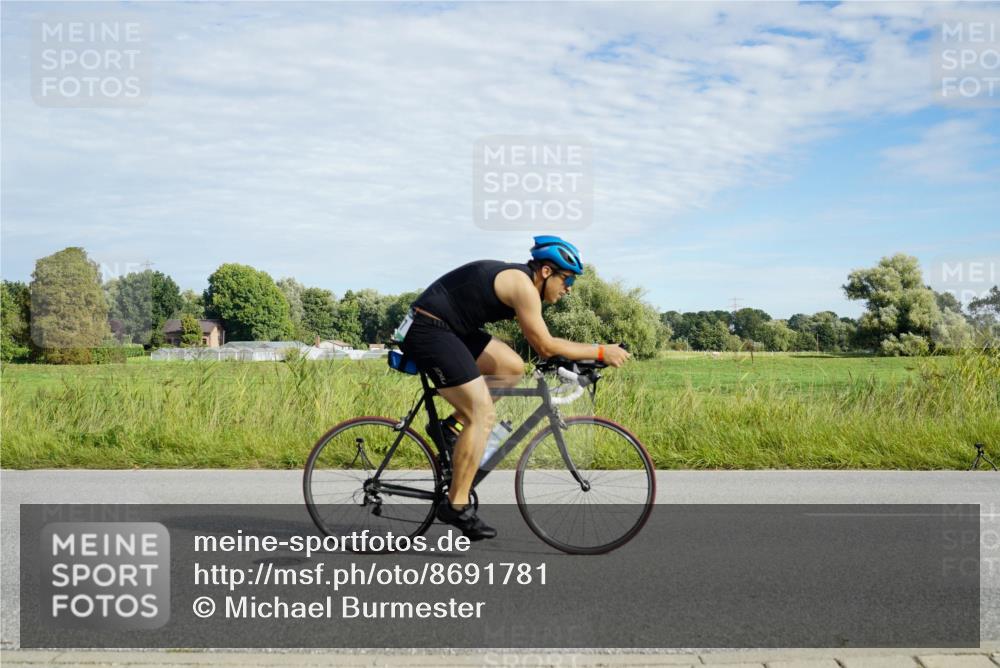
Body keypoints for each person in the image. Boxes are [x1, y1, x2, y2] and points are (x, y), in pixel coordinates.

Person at [398, 236, 631, 540]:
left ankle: (451, 428)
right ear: (546, 272)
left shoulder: (525, 284)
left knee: (511, 367)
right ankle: (455, 506)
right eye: (568, 278)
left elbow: (544, 347)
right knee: (482, 414)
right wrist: (601, 352)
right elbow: (545, 345)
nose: (569, 287)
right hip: (429, 328)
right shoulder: (523, 286)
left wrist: (577, 361)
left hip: (454, 329)